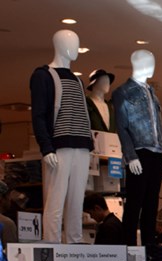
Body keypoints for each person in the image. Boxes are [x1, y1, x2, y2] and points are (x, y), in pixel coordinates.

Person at [30, 29, 93, 244]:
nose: (75, 48)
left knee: (77, 202)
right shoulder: (43, 75)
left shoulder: (78, 81)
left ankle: (74, 246)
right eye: (72, 43)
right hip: (60, 145)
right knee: (55, 201)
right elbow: (38, 114)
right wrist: (46, 147)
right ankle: (53, 248)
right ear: (59, 45)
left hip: (82, 145)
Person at [112, 50, 162, 246]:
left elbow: (158, 126)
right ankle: (128, 247)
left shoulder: (151, 92)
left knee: (152, 204)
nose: (152, 67)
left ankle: (149, 248)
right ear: (136, 63)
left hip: (155, 152)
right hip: (139, 152)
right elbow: (122, 126)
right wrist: (130, 155)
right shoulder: (123, 92)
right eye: (148, 62)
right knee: (135, 203)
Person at [85, 68, 116, 133]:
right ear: (94, 83)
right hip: (92, 141)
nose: (107, 84)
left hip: (110, 141)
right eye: (103, 81)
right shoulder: (85, 103)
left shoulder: (110, 107)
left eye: (108, 81)